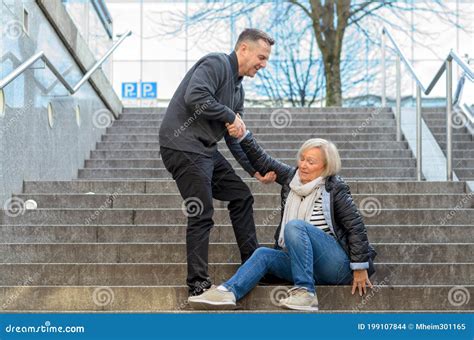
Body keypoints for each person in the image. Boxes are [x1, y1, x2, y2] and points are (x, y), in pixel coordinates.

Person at [188, 129, 377, 310]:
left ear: (326, 167)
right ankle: (227, 292)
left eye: (310, 162)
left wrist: (360, 267)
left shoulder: (335, 188)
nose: (303, 165)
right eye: (302, 159)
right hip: (304, 265)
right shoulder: (291, 178)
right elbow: (263, 161)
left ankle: (305, 293)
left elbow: (356, 227)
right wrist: (243, 135)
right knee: (263, 253)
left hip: (336, 266)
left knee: (295, 227)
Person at [159, 29, 277, 296]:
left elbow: (234, 138)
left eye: (267, 59)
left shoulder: (238, 92)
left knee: (241, 196)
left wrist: (254, 170)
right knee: (201, 212)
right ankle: (198, 284)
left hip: (206, 150)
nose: (264, 64)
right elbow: (196, 96)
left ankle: (253, 266)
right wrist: (229, 115)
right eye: (261, 57)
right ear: (243, 49)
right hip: (182, 145)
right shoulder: (215, 63)